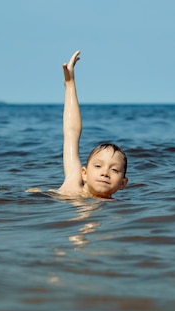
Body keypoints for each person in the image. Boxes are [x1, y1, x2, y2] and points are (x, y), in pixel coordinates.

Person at [57, 50, 128, 199]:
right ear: (84, 173)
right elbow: (71, 132)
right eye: (97, 166)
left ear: (123, 183)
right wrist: (70, 84)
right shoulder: (72, 185)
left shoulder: (117, 211)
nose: (105, 173)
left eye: (114, 170)